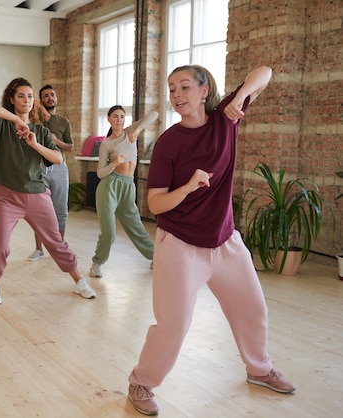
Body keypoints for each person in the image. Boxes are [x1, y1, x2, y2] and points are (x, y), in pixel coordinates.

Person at [126, 65, 295, 416]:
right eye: (172, 89)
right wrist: (187, 187)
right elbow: (155, 203)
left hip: (225, 240)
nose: (176, 95)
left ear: (204, 91)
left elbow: (265, 72)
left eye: (185, 87)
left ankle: (259, 369)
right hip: (180, 243)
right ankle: (141, 382)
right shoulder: (167, 143)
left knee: (253, 309)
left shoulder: (225, 120)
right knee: (172, 324)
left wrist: (243, 96)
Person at [0, 77, 96, 305]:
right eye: (21, 96)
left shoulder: (41, 132)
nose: (26, 100)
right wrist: (15, 120)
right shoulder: (2, 125)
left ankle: (78, 281)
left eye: (30, 96)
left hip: (36, 194)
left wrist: (34, 143)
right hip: (7, 197)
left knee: (56, 242)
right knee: (0, 246)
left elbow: (59, 158)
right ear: (12, 100)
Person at [88, 107, 158, 278]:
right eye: (115, 116)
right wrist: (114, 164)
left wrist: (139, 129)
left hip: (128, 186)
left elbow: (155, 115)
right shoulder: (107, 144)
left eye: (122, 116)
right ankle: (97, 263)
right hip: (109, 186)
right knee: (109, 231)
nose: (119, 119)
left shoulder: (130, 131)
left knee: (135, 225)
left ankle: (155, 258)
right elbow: (100, 173)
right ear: (109, 120)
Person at [26, 84, 74, 262]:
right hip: (38, 168)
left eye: (52, 95)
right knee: (39, 210)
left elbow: (70, 147)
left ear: (56, 98)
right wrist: (39, 107)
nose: (49, 98)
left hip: (59, 168)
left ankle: (59, 249)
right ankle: (38, 249)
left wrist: (57, 141)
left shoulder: (63, 122)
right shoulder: (36, 119)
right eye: (45, 96)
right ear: (40, 100)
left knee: (60, 209)